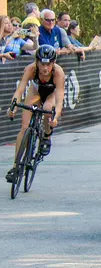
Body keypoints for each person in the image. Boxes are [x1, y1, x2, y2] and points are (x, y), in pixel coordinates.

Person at [5, 45, 65, 183]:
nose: (45, 68)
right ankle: (15, 167)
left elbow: (60, 97)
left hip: (52, 93)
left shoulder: (58, 73)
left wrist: (56, 117)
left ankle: (46, 136)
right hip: (36, 91)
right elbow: (20, 90)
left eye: (48, 64)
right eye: (42, 64)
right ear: (37, 62)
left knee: (48, 107)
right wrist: (13, 107)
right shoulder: (30, 69)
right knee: (24, 128)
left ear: (53, 63)